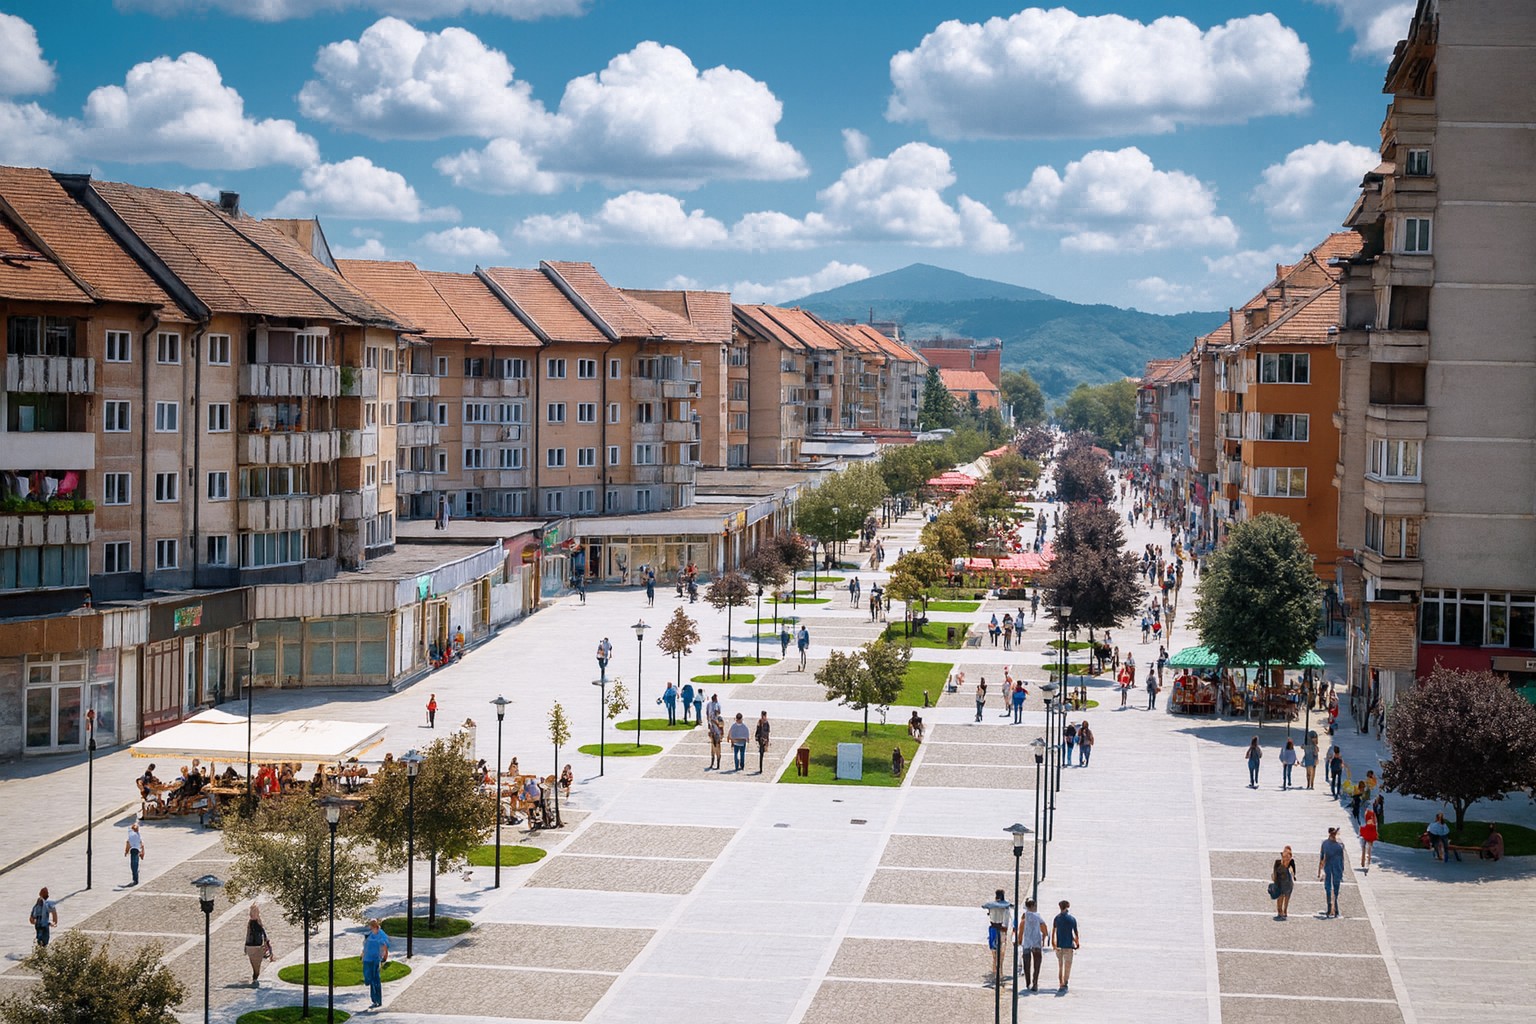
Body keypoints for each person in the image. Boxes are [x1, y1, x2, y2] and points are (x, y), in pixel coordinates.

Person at [1016, 898, 1047, 992]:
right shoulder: (1038, 917)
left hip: (1027, 943)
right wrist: (1044, 937)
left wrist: (1020, 941)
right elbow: (1044, 928)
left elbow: (1020, 932)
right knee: (1037, 964)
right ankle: (1035, 982)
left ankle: (1028, 982)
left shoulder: (1024, 918)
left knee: (1026, 964)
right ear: (1034, 906)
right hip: (1036, 943)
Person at [361, 917, 391, 1009]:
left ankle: (377, 1000)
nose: (371, 927)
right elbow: (366, 946)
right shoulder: (370, 935)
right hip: (367, 959)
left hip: (376, 959)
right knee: (369, 977)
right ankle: (374, 999)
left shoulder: (381, 935)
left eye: (372, 925)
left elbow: (385, 946)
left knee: (376, 979)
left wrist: (385, 957)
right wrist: (362, 955)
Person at [1051, 899, 1080, 991]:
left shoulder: (1057, 918)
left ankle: (1061, 982)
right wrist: (1077, 942)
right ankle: (1065, 981)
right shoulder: (1072, 919)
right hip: (1068, 945)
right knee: (1068, 964)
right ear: (1067, 907)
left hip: (1059, 945)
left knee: (1060, 965)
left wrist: (1053, 943)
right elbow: (1075, 933)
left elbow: (1053, 931)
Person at [1318, 827, 1346, 917]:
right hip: (1333, 868)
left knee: (1332, 888)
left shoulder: (1328, 844)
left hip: (1332, 868)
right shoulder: (1337, 845)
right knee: (1331, 888)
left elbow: (1322, 858)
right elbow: (1342, 859)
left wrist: (1320, 870)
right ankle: (1332, 907)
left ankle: (1332, 908)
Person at [244, 905, 272, 987]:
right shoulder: (253, 923)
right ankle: (255, 977)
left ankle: (255, 977)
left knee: (255, 965)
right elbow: (262, 933)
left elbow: (249, 935)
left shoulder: (253, 923)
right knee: (256, 965)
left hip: (253, 946)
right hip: (255, 946)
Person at [1271, 854, 1295, 920]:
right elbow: (1275, 872)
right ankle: (1279, 910)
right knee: (1280, 897)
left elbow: (1291, 872)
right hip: (1280, 883)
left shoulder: (1289, 863)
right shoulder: (1278, 862)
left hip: (1288, 883)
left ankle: (1285, 910)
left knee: (1287, 897)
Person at [124, 821, 144, 886]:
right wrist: (142, 851)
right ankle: (136, 877)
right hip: (137, 850)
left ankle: (135, 879)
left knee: (133, 865)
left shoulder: (131, 835)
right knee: (136, 864)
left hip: (133, 851)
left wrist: (126, 851)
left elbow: (128, 844)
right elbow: (142, 844)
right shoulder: (138, 835)